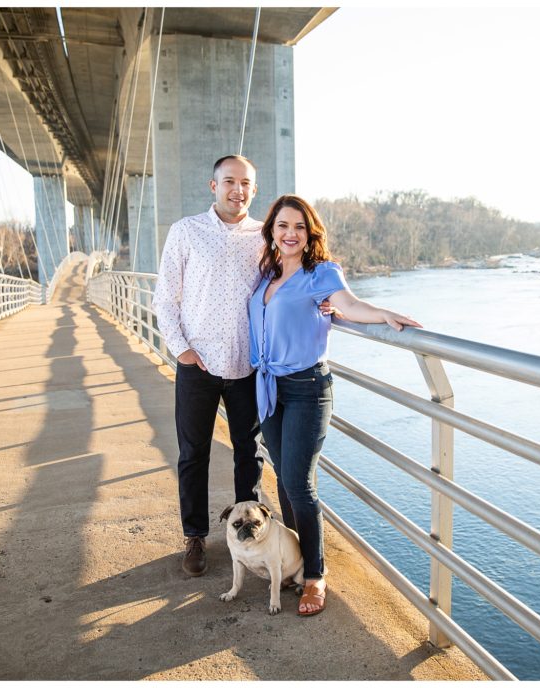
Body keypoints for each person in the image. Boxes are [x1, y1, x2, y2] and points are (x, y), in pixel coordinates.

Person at [249, 194, 421, 616]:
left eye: (299, 227)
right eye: (283, 226)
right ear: (272, 230)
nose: (291, 234)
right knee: (283, 481)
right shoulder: (265, 274)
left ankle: (315, 575)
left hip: (308, 387)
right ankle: (293, 558)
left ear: (310, 235)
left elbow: (348, 304)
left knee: (299, 484)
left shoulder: (321, 273)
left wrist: (382, 314)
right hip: (269, 387)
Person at [153, 155, 265, 577]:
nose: (238, 190)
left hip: (247, 364)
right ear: (212, 185)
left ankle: (247, 534)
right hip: (197, 363)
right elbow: (165, 297)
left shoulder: (265, 236)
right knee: (193, 454)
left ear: (254, 190)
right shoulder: (186, 232)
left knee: (248, 454)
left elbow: (288, 281)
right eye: (229, 181)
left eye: (246, 183)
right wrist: (180, 349)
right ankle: (196, 536)